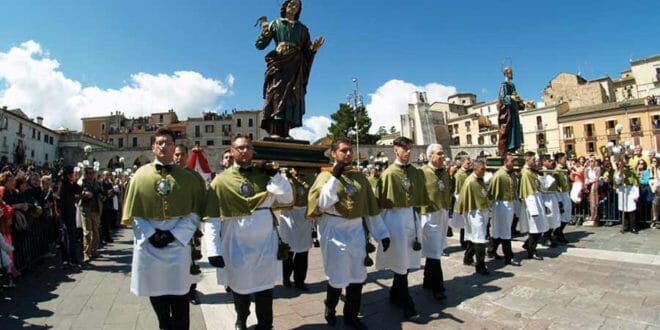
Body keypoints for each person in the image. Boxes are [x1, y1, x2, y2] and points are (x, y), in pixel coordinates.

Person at [204, 134, 293, 330]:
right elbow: (211, 218)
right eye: (240, 148)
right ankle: (242, 318)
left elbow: (287, 198)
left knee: (265, 287)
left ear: (253, 151)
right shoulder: (221, 181)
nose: (244, 151)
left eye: (248, 147)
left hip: (265, 243)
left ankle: (265, 324)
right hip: (236, 242)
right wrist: (213, 250)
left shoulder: (264, 175)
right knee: (240, 286)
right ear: (232, 151)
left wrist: (275, 175)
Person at [121, 128, 206, 330]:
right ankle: (163, 324)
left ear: (174, 147)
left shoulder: (190, 178)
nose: (163, 145)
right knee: (155, 288)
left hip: (178, 243)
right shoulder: (139, 176)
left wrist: (173, 234)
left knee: (179, 294)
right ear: (153, 147)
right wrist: (151, 234)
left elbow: (195, 212)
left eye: (168, 142)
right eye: (159, 142)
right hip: (148, 244)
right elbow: (134, 212)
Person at [307, 138, 389, 330]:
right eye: (343, 151)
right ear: (334, 153)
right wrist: (335, 177)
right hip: (333, 229)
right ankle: (330, 306)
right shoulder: (325, 177)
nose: (348, 154)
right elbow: (323, 203)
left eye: (350, 150)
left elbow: (370, 208)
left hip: (355, 229)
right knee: (337, 274)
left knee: (357, 273)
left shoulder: (360, 177)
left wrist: (382, 234)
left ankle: (351, 316)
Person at [375, 136, 429, 322]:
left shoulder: (416, 172)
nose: (407, 151)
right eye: (403, 148)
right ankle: (407, 304)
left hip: (412, 218)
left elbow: (420, 197)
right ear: (395, 150)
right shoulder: (388, 174)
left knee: (405, 263)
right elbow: (380, 204)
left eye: (409, 148)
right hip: (394, 219)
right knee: (400, 261)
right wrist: (379, 231)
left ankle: (395, 293)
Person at [256, 0, 325, 138]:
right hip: (279, 63)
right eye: (291, 4)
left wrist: (313, 49)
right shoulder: (275, 24)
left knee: (291, 95)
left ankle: (286, 131)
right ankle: (275, 131)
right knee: (276, 93)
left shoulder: (303, 29)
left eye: (297, 6)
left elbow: (307, 49)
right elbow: (260, 45)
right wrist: (265, 33)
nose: (294, 7)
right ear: (285, 6)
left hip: (295, 64)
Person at [174, 144, 207, 306]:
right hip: (171, 226)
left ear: (187, 156)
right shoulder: (167, 175)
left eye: (181, 154)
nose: (178, 158)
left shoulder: (196, 177)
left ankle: (192, 291)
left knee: (193, 259)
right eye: (176, 155)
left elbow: (202, 199)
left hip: (191, 225)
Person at [419, 144, 453, 300]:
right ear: (430, 155)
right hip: (429, 215)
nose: (443, 156)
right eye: (439, 153)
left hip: (442, 213)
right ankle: (438, 287)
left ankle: (427, 281)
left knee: (436, 249)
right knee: (434, 251)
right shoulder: (422, 173)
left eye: (443, 153)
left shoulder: (444, 173)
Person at [278, 167, 315, 291]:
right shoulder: (285, 178)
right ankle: (286, 278)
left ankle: (300, 280)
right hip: (289, 213)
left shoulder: (311, 176)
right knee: (288, 249)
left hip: (304, 214)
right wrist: (286, 176)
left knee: (303, 251)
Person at [455, 159, 492, 275]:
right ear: (475, 169)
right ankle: (480, 265)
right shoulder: (470, 182)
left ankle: (467, 258)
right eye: (482, 169)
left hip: (482, 211)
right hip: (474, 213)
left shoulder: (480, 179)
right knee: (480, 239)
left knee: (475, 237)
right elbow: (463, 198)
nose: (484, 172)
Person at [487, 153, 520, 266]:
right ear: (506, 162)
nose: (514, 163)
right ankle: (509, 257)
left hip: (509, 203)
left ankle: (491, 250)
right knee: (505, 231)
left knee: (500, 230)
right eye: (512, 161)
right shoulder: (499, 175)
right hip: (501, 204)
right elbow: (491, 192)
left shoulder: (512, 174)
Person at [519, 152, 548, 260]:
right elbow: (527, 191)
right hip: (532, 201)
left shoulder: (532, 171)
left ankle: (528, 245)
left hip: (537, 198)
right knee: (535, 228)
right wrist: (533, 209)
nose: (535, 161)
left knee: (539, 227)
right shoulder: (526, 173)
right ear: (527, 159)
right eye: (533, 159)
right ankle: (531, 250)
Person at [57, 166, 83, 271]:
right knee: (67, 238)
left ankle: (71, 259)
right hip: (65, 214)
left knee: (70, 237)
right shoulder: (64, 185)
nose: (74, 175)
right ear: (68, 175)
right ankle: (69, 260)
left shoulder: (69, 184)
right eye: (72, 174)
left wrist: (74, 181)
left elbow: (79, 190)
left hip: (70, 213)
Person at [496, 66, 524, 155]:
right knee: (509, 129)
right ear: (506, 73)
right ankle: (509, 148)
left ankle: (514, 147)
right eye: (510, 72)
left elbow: (516, 96)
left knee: (515, 128)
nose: (511, 74)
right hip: (508, 111)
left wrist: (522, 101)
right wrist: (511, 97)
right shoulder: (504, 84)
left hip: (514, 109)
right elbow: (502, 97)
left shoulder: (512, 85)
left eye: (511, 72)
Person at [79, 166, 102, 262]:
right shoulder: (81, 183)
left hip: (96, 210)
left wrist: (103, 195)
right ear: (85, 173)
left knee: (96, 232)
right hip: (86, 210)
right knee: (87, 232)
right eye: (89, 173)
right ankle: (86, 253)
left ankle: (94, 250)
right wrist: (84, 194)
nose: (91, 174)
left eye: (92, 172)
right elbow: (76, 194)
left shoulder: (97, 183)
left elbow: (101, 193)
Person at [614, 157, 640, 233]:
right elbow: (617, 181)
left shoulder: (631, 169)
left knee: (631, 209)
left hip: (630, 190)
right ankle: (625, 226)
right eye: (620, 161)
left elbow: (636, 181)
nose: (622, 162)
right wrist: (620, 171)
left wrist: (636, 194)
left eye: (623, 160)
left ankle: (633, 227)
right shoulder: (617, 171)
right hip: (622, 190)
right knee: (623, 209)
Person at [451, 157, 472, 250]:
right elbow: (457, 189)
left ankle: (468, 240)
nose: (469, 164)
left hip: (469, 199)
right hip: (462, 199)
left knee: (468, 222)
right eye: (467, 163)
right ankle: (463, 241)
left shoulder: (469, 173)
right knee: (463, 223)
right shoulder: (459, 174)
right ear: (463, 163)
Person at [540, 155, 561, 247]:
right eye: (549, 161)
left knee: (553, 218)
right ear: (544, 161)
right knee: (548, 217)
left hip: (552, 196)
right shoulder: (541, 172)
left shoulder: (551, 171)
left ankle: (550, 235)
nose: (551, 162)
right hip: (545, 197)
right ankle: (546, 237)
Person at [553, 153, 571, 243]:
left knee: (567, 215)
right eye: (564, 158)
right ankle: (558, 234)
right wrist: (559, 199)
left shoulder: (564, 170)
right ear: (559, 160)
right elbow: (556, 186)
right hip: (561, 194)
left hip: (566, 192)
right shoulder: (556, 171)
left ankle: (558, 232)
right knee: (563, 216)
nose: (565, 160)